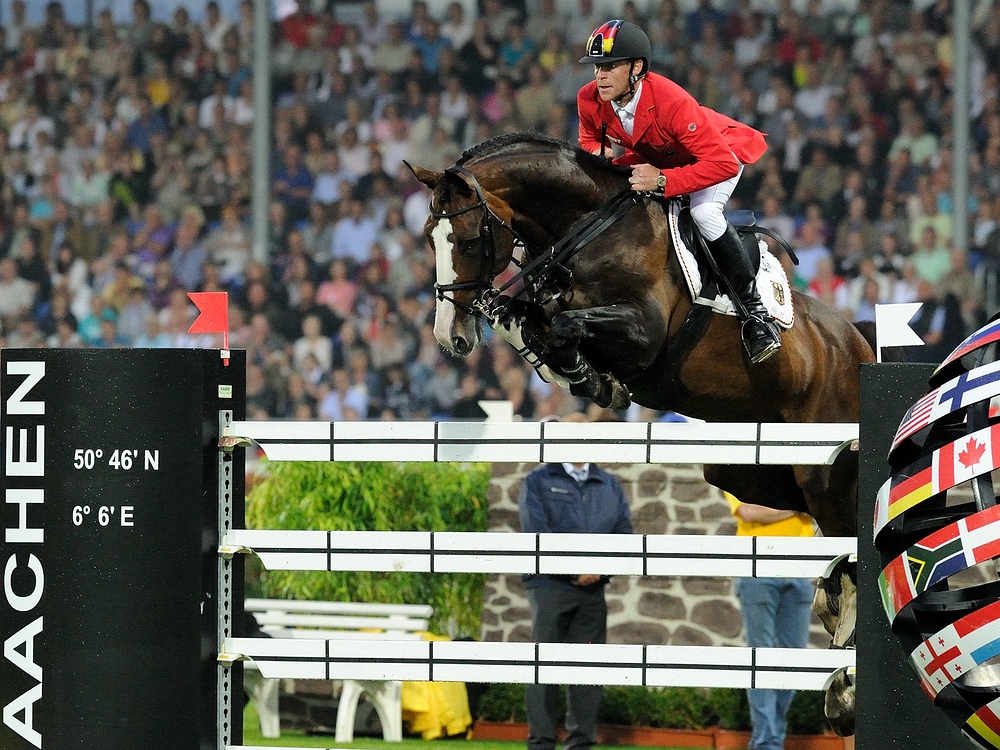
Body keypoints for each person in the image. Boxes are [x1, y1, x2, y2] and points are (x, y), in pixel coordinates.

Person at [576, 20, 780, 364]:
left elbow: (722, 165)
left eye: (611, 66)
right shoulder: (589, 98)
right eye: (597, 66)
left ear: (637, 68)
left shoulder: (670, 101)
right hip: (662, 159)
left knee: (703, 213)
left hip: (716, 156)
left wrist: (663, 183)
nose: (600, 75)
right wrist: (601, 155)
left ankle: (755, 313)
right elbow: (588, 141)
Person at [519, 418, 633, 750]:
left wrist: (600, 571)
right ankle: (541, 742)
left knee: (588, 668)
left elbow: (622, 533)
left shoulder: (608, 483)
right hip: (549, 586)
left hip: (593, 590)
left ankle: (581, 741)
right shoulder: (539, 480)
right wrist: (574, 571)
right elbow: (537, 531)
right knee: (544, 666)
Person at [727, 492, 815, 750]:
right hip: (757, 566)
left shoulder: (798, 467)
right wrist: (798, 507)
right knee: (760, 656)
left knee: (795, 657)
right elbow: (750, 512)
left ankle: (771, 737)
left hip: (799, 566)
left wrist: (786, 507)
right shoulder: (741, 468)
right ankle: (768, 742)